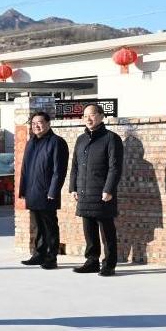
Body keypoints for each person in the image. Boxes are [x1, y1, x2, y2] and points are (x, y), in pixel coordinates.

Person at [70, 104, 124, 276]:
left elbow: (114, 167)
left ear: (101, 116)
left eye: (92, 115)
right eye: (85, 116)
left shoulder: (111, 138)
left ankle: (109, 264)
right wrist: (73, 187)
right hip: (84, 192)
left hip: (103, 193)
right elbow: (75, 166)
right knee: (89, 229)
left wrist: (108, 189)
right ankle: (92, 261)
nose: (88, 118)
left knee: (107, 230)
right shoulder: (81, 139)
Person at [19, 112, 69, 269]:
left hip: (47, 193)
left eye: (40, 122)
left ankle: (51, 257)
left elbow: (59, 171)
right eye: (33, 123)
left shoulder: (57, 142)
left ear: (48, 123)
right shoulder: (31, 142)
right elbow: (25, 168)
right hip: (33, 192)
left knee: (50, 226)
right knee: (38, 225)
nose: (36, 126)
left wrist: (53, 191)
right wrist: (23, 190)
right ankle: (39, 254)